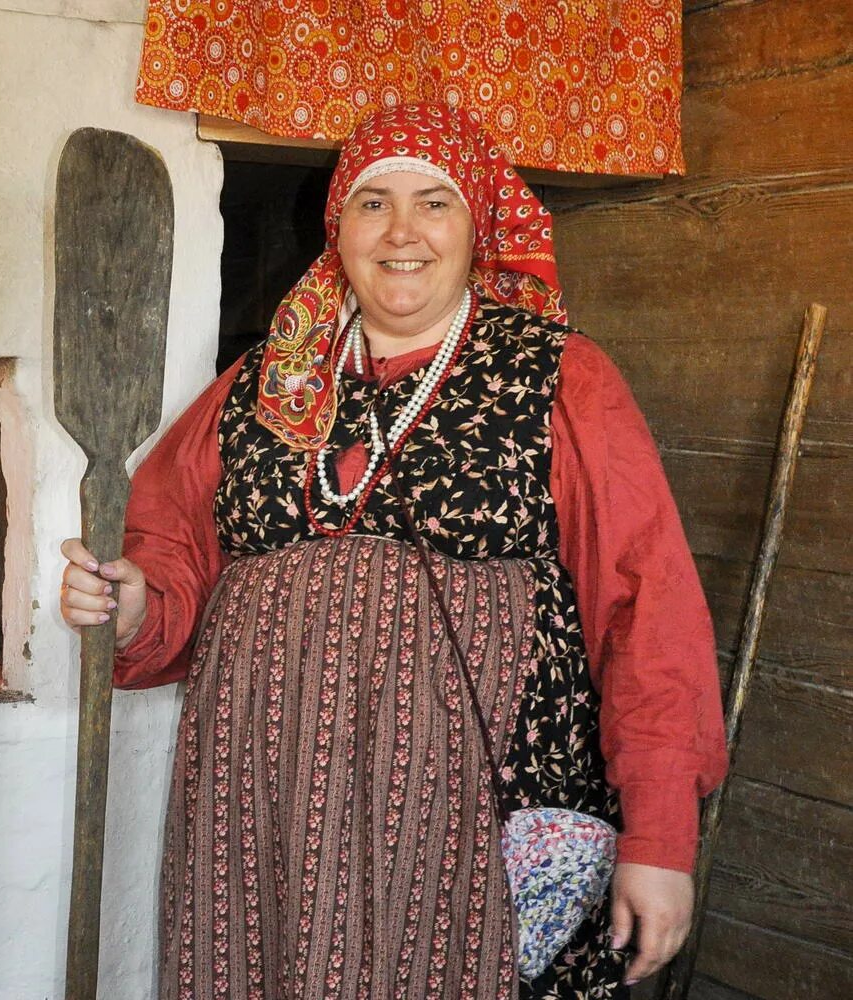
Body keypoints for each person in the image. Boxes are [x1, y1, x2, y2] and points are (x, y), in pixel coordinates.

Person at [59, 103, 728, 999]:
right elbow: (170, 553)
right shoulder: (261, 384)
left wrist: (659, 835)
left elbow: (646, 609)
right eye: (373, 203)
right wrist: (136, 604)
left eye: (434, 202)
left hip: (471, 805)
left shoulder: (560, 376)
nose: (402, 231)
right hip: (268, 809)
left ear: (478, 225)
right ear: (337, 229)